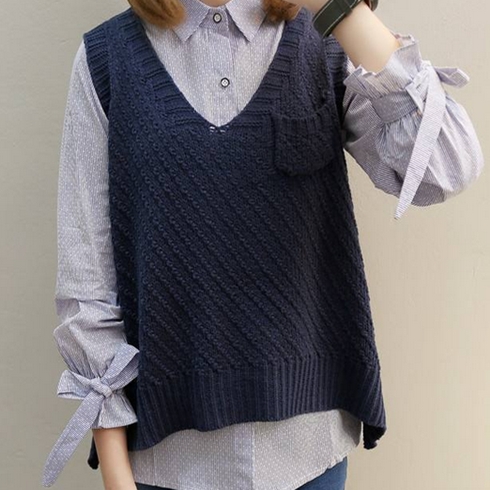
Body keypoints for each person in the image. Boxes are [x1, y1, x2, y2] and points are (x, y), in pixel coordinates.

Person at [42, 0, 484, 489]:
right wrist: (116, 474)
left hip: (310, 452)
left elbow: (445, 169)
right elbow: (86, 286)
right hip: (167, 463)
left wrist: (340, 8)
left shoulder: (324, 44)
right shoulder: (107, 59)